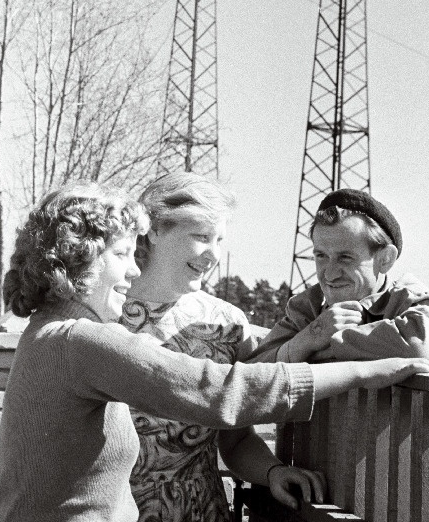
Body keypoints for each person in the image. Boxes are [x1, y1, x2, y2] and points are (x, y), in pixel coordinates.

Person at [0, 181, 429, 522]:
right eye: (124, 254)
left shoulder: (51, 331)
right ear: (87, 258)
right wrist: (364, 372)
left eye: (220, 240)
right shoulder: (87, 334)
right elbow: (224, 392)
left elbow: (248, 397)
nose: (133, 268)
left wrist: (269, 471)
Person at [121, 172, 324, 521]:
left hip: (203, 513)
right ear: (154, 229)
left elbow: (237, 440)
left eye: (219, 239)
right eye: (201, 236)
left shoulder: (226, 323)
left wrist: (273, 472)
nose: (213, 254)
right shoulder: (102, 314)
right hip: (114, 511)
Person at [248, 188, 429, 372]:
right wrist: (313, 334)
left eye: (345, 258)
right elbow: (254, 370)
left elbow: (422, 350)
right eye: (321, 256)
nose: (329, 274)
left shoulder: (411, 303)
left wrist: (313, 347)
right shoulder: (308, 310)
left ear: (385, 259)